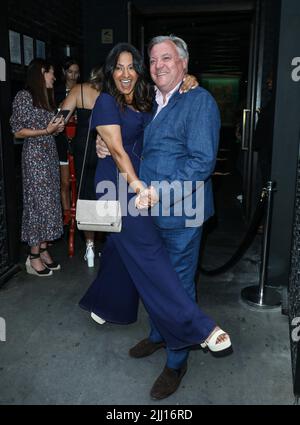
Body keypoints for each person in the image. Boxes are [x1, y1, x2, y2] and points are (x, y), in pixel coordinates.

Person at [79, 41, 232, 400]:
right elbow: (127, 144)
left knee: (176, 280)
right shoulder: (152, 101)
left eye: (168, 58)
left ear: (183, 63)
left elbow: (200, 164)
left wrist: (156, 192)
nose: (158, 65)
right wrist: (105, 145)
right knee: (152, 273)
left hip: (181, 211)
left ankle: (177, 361)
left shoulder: (199, 100)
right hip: (141, 207)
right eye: (154, 60)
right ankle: (159, 335)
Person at [10, 58, 65, 277]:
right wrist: (46, 131)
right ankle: (32, 256)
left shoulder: (45, 98)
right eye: (52, 73)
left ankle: (42, 249)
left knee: (49, 202)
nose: (54, 77)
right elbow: (17, 131)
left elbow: (47, 127)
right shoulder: (24, 96)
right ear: (42, 72)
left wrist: (56, 127)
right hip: (34, 156)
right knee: (37, 203)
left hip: (48, 154)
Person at [59, 66, 103, 267]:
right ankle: (111, 243)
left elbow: (60, 120)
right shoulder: (113, 91)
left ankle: (90, 247)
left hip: (83, 148)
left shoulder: (79, 90)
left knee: (85, 195)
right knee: (107, 193)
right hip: (106, 146)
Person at [54, 58, 81, 225]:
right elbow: (54, 116)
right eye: (70, 71)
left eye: (76, 72)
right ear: (64, 73)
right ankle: (66, 217)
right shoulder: (57, 92)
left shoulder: (83, 90)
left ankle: (78, 212)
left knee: (77, 180)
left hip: (79, 138)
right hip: (62, 139)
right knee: (64, 181)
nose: (74, 75)